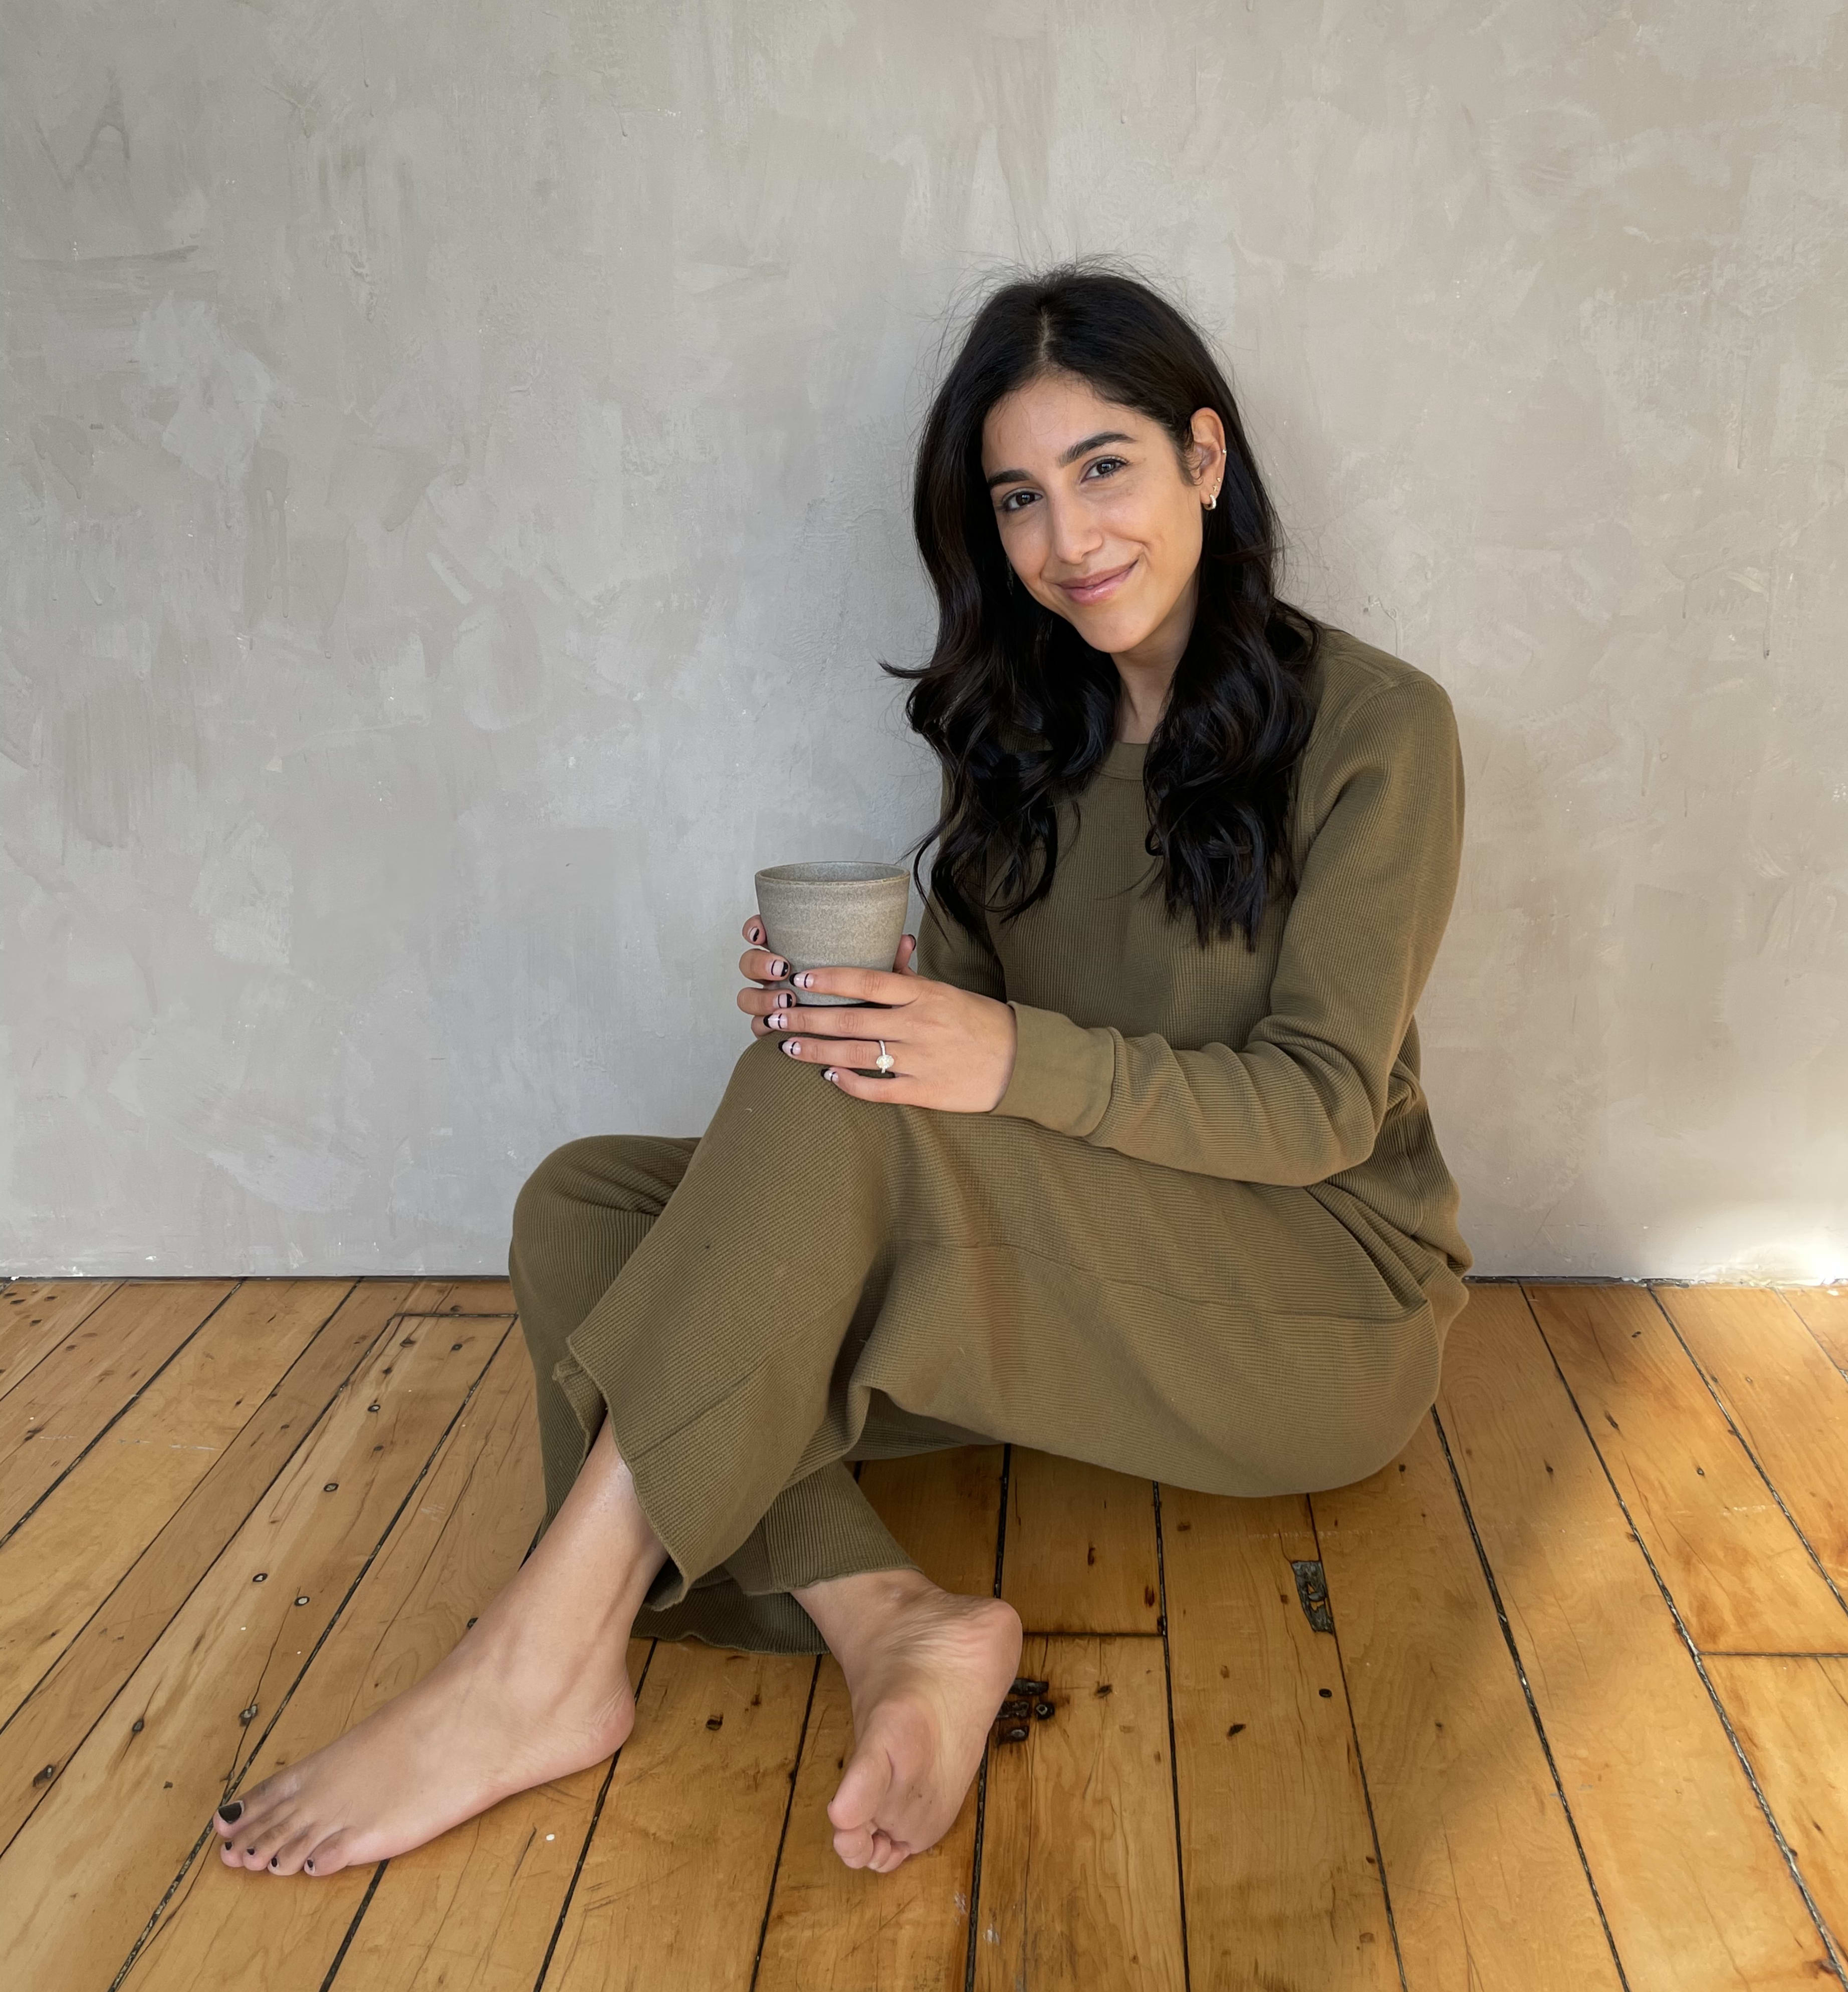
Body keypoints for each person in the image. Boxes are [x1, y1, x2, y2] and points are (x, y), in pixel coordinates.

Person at [208, 263, 1473, 1882]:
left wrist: (992, 1055)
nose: (1069, 540)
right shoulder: (1033, 729)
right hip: (1091, 1262)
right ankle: (893, 1622)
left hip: (1320, 1308)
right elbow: (962, 1031)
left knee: (778, 1167)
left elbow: (1317, 1110)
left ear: (1205, 463)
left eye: (1106, 470)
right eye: (1020, 499)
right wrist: (847, 1011)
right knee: (583, 1201)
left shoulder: (1381, 727)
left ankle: (537, 1663)